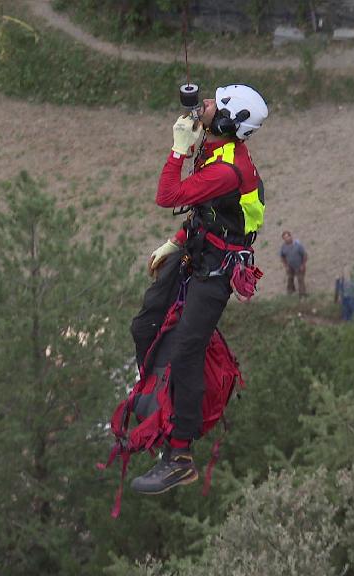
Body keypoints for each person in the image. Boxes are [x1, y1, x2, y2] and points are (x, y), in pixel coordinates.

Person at [128, 84, 268, 494]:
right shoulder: (217, 150)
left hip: (218, 270)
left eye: (213, 104)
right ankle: (156, 400)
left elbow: (166, 195)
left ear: (228, 122)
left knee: (188, 350)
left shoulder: (228, 170)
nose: (204, 104)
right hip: (198, 246)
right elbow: (206, 213)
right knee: (145, 326)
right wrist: (175, 240)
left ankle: (180, 455)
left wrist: (177, 151)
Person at [279, 230, 307, 297]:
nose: (287, 239)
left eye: (288, 237)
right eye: (285, 238)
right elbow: (282, 256)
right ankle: (290, 292)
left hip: (299, 265)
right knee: (290, 279)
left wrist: (303, 265)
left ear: (291, 236)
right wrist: (286, 266)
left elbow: (304, 255)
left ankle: (302, 294)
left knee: (300, 279)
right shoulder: (283, 247)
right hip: (290, 266)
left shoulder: (298, 245)